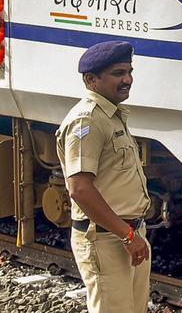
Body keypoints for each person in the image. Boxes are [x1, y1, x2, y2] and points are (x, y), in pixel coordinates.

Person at [56, 41, 152, 313]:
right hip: (107, 238)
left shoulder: (111, 115)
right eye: (118, 73)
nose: (127, 80)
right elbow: (80, 189)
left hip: (126, 234)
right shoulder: (87, 121)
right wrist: (127, 235)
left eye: (129, 71)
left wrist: (133, 234)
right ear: (91, 79)